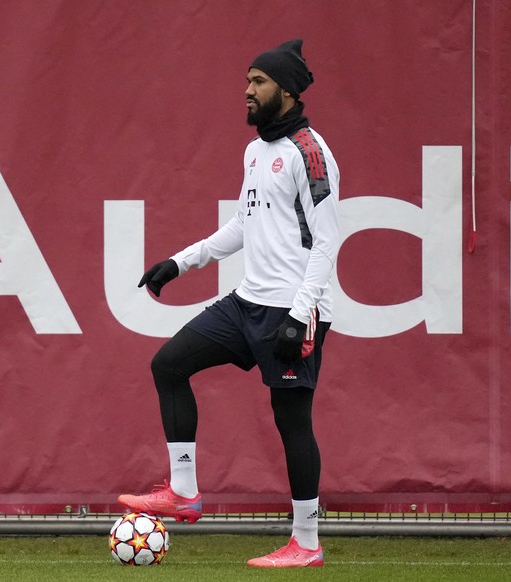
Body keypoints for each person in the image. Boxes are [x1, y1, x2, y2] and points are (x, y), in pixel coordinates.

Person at [118, 39, 341, 568]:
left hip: (293, 310)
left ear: (286, 90)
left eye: (258, 82)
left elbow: (327, 240)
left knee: (292, 423)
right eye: (247, 80)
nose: (247, 90)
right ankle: (185, 493)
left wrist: (298, 312)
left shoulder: (309, 152)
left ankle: (306, 544)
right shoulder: (255, 150)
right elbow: (244, 224)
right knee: (168, 364)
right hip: (246, 303)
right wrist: (180, 261)